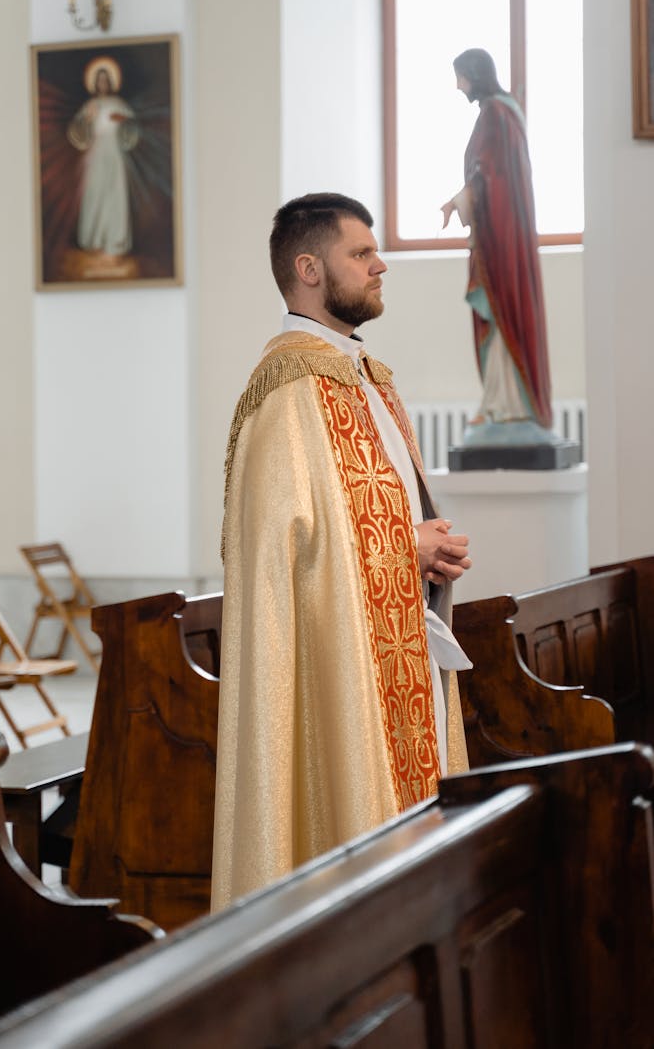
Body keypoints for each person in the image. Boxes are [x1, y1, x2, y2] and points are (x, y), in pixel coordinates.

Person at [211, 192, 473, 912]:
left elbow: (365, 520)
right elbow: (280, 559)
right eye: (361, 253)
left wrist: (426, 555)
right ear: (309, 269)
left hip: (403, 652)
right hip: (339, 675)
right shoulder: (287, 395)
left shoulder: (365, 379)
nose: (379, 263)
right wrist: (403, 546)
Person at [441, 48, 552, 431]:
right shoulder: (505, 113)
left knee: (500, 309)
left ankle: (506, 406)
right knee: (500, 311)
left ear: (475, 75)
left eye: (461, 76)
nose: (458, 85)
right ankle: (501, 404)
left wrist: (459, 201)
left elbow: (488, 177)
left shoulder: (494, 115)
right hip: (504, 232)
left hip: (499, 239)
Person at [67, 56, 139, 259]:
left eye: (106, 79)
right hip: (97, 151)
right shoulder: (90, 105)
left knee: (114, 192)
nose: (103, 83)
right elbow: (77, 132)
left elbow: (132, 129)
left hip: (114, 151)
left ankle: (114, 240)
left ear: (111, 82)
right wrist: (87, 121)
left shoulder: (119, 104)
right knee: (96, 191)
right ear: (95, 83)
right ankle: (94, 239)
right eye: (99, 80)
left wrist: (123, 120)